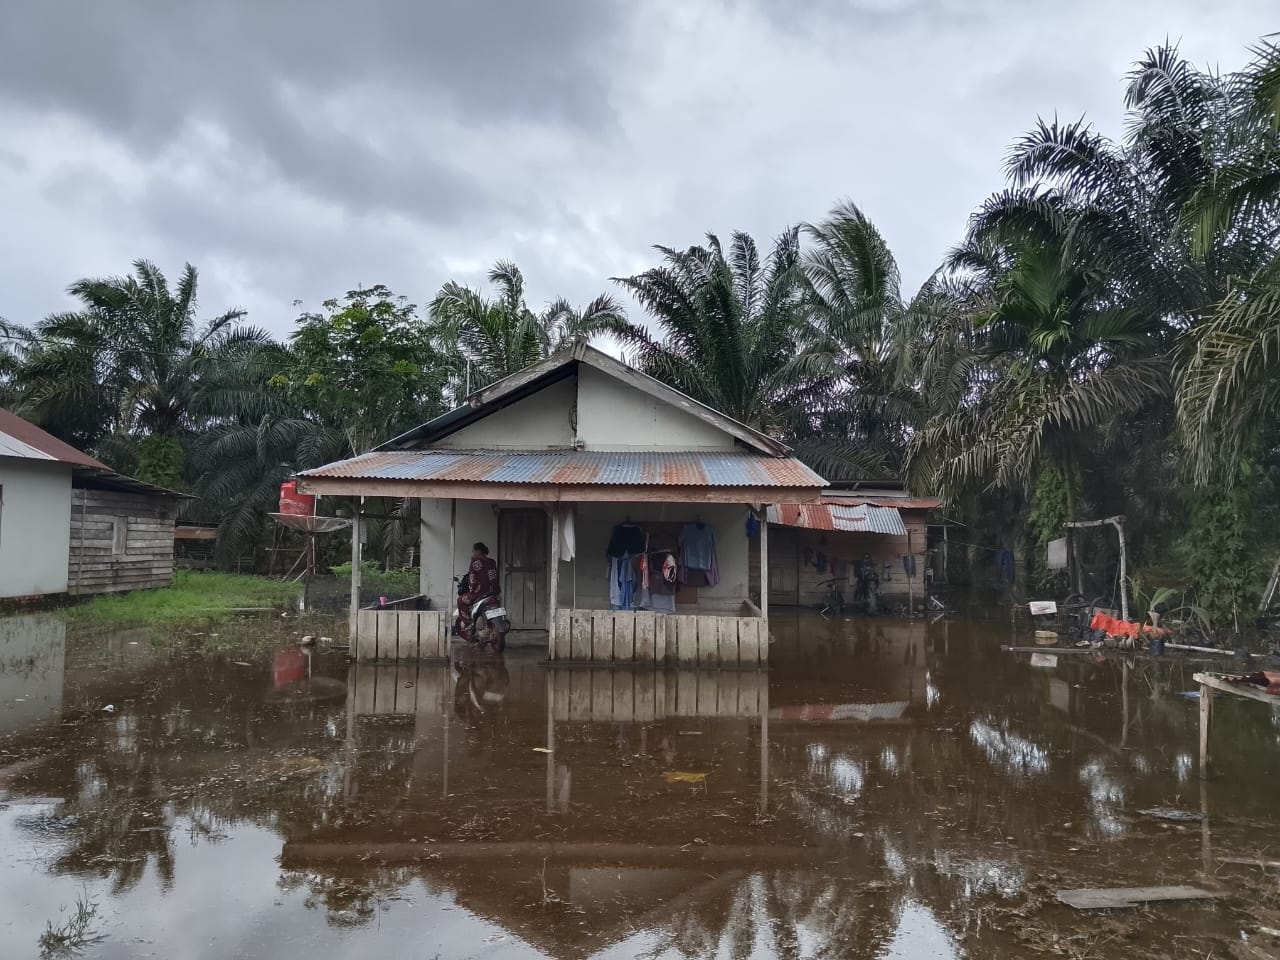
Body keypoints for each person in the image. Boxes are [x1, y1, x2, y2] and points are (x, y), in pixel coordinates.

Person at [458, 541, 500, 641]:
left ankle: (469, 624)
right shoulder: (492, 561)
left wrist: (471, 590)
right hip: (494, 591)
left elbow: (472, 579)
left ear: (478, 551)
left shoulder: (474, 562)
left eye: (473, 551)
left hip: (480, 593)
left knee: (460, 600)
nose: (472, 553)